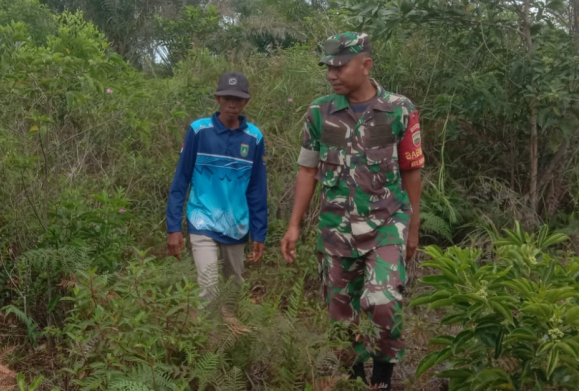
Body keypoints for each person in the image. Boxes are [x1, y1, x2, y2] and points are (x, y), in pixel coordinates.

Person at [280, 33, 424, 390]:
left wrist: (414, 227)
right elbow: (308, 170)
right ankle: (355, 379)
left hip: (387, 224)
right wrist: (294, 225)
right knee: (341, 317)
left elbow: (411, 169)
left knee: (384, 302)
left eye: (340, 66)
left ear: (366, 65)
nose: (332, 73)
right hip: (335, 229)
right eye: (328, 66)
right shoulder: (319, 112)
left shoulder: (400, 109)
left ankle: (384, 378)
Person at [166, 71, 268, 309]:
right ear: (217, 98)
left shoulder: (254, 137)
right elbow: (181, 180)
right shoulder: (199, 131)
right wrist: (174, 227)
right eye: (227, 98)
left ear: (246, 102)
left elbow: (257, 188)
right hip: (202, 221)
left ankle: (228, 338)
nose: (232, 104)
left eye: (238, 99)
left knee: (232, 290)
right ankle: (205, 343)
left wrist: (259, 232)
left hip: (237, 225)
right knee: (209, 288)